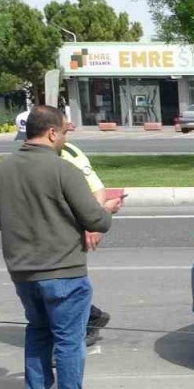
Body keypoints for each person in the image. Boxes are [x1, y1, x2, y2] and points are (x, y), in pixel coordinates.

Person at [0, 106, 124, 389]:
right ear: (51, 133)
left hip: (23, 272)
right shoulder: (64, 170)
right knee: (69, 342)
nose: (64, 138)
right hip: (64, 271)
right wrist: (109, 208)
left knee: (37, 332)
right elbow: (95, 220)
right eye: (63, 132)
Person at [59, 140, 111, 346]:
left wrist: (92, 224)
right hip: (50, 227)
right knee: (57, 283)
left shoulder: (69, 153)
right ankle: (90, 316)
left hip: (69, 228)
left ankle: (87, 320)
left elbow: (97, 189)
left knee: (64, 282)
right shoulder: (28, 153)